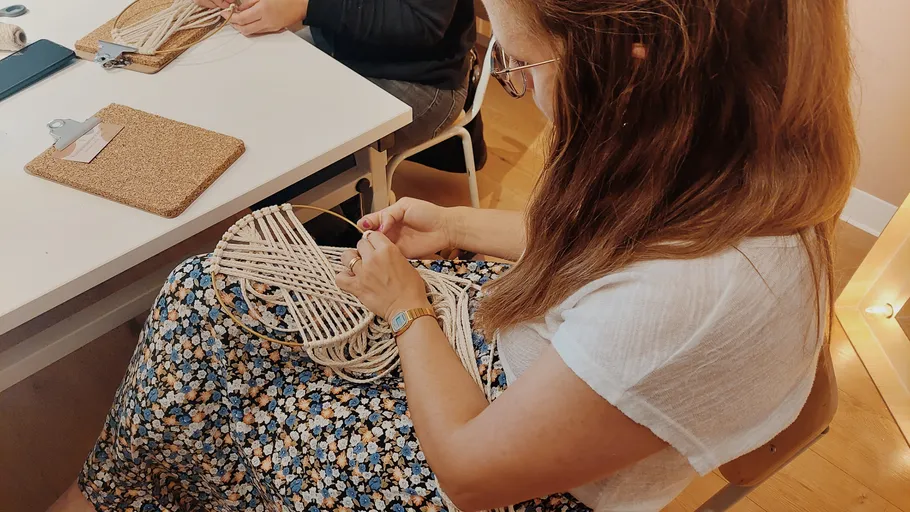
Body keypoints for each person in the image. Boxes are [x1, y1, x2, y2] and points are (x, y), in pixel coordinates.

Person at [49, 0, 857, 510]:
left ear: (631, 67)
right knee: (205, 289)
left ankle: (124, 486)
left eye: (518, 64)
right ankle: (121, 484)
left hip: (488, 467)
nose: (521, 89)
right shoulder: (729, 168)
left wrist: (406, 308)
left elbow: (469, 475)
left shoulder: (697, 297)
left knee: (218, 368)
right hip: (514, 374)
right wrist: (461, 231)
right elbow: (611, 252)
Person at [195, 0, 476, 156]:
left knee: (289, 163)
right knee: (241, 111)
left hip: (418, 79)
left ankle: (339, 230)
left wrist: (307, 6)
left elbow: (422, 23)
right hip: (337, 47)